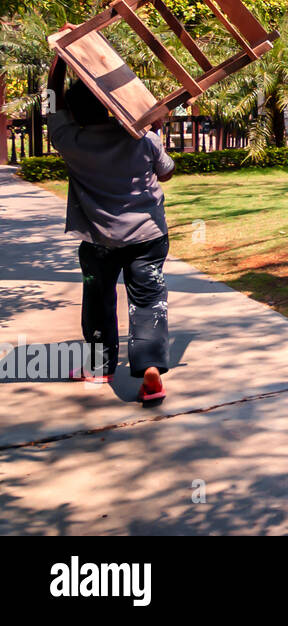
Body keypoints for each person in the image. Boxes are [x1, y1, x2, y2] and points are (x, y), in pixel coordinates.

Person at [46, 54, 174, 403]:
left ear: (73, 112)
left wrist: (60, 59)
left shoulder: (67, 138)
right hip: (147, 236)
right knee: (148, 300)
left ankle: (101, 367)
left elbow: (51, 97)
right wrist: (154, 128)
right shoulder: (142, 138)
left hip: (98, 240)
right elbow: (166, 172)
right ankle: (149, 367)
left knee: (99, 297)